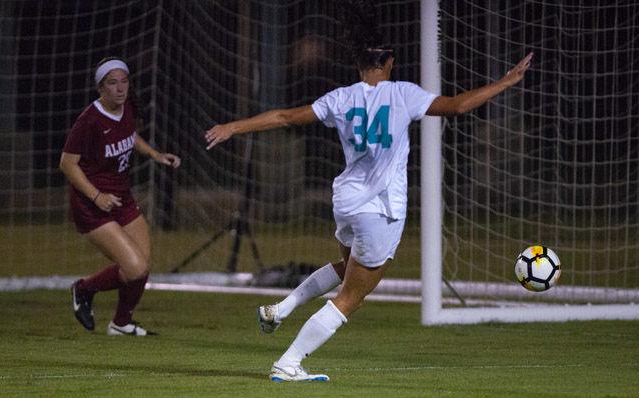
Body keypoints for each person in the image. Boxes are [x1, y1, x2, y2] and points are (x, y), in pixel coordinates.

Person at [205, 19, 532, 380]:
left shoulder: (341, 97)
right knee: (351, 297)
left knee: (349, 269)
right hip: (381, 210)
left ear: (358, 64)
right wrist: (504, 82)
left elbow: (285, 117)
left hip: (346, 202)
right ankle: (289, 362)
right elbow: (456, 107)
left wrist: (234, 126)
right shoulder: (402, 93)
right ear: (390, 61)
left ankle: (280, 309)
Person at [60, 57, 181, 336]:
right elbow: (67, 164)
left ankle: (121, 323)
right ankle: (83, 288)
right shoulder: (89, 121)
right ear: (100, 88)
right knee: (134, 267)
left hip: (121, 196)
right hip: (91, 203)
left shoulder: (127, 106)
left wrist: (155, 154)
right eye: (112, 83)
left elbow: (130, 135)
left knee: (142, 265)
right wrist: (96, 196)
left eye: (124, 81)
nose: (120, 88)